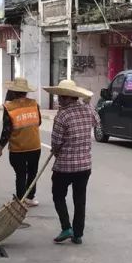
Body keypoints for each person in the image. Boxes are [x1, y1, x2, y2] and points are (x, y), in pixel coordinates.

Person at [44, 79, 98, 245]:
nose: (58, 100)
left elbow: (56, 143)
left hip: (65, 166)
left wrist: (57, 151)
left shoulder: (62, 115)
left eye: (61, 97)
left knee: (58, 195)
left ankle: (67, 227)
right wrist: (87, 105)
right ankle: (78, 234)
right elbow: (97, 121)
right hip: (84, 166)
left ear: (69, 97)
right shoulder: (88, 110)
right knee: (79, 199)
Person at [0, 77, 42, 209]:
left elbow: (7, 130)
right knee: (32, 172)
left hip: (18, 148)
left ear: (13, 92)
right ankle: (30, 198)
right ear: (26, 92)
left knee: (20, 174)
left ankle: (20, 200)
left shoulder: (9, 107)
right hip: (34, 146)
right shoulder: (34, 104)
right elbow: (39, 122)